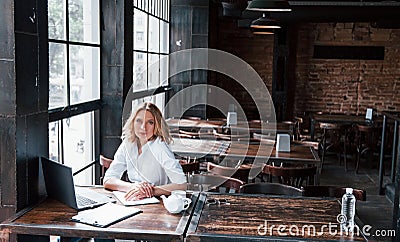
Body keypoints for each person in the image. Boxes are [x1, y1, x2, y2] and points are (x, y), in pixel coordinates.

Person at [103, 102, 187, 200]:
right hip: (135, 200)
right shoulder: (128, 143)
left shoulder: (160, 147)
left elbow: (181, 185)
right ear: (133, 122)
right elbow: (108, 179)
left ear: (157, 125)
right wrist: (133, 187)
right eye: (139, 121)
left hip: (160, 203)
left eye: (150, 122)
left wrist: (151, 190)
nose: (143, 127)